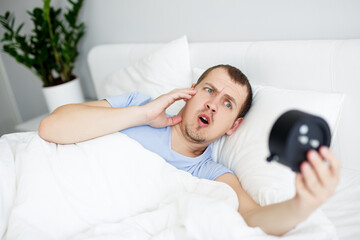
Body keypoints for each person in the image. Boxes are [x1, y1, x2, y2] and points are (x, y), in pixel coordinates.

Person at [39, 64, 339, 236]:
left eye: (227, 103)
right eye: (209, 90)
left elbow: (252, 219)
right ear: (190, 91)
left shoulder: (211, 174)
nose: (212, 103)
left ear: (233, 126)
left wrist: (303, 204)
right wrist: (142, 114)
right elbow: (51, 127)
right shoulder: (139, 104)